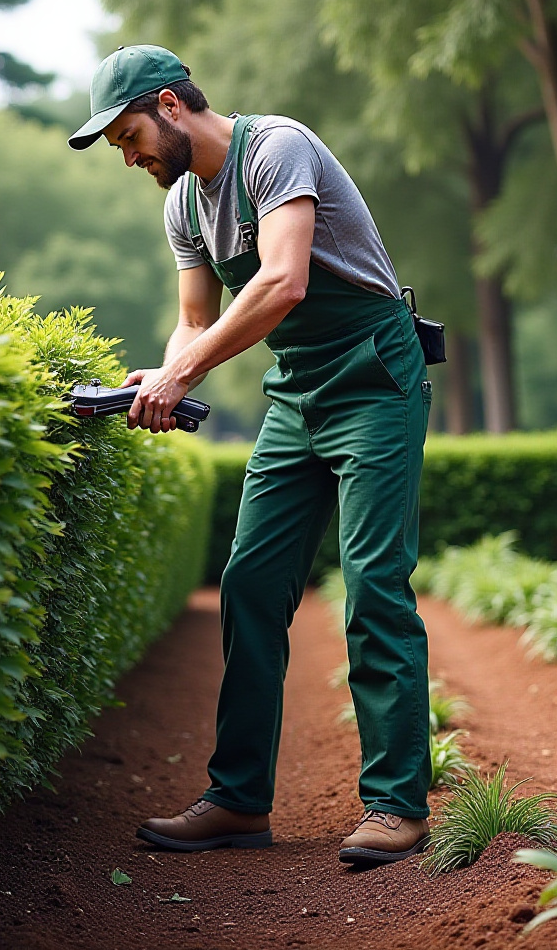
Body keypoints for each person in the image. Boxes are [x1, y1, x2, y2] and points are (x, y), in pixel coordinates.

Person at [68, 45, 434, 866]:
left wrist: (184, 373)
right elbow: (193, 321)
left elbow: (282, 282)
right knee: (249, 582)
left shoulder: (276, 149)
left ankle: (397, 805)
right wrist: (164, 372)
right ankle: (237, 800)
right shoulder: (183, 207)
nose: (129, 158)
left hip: (374, 371)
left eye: (128, 138)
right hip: (297, 388)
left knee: (374, 582)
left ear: (168, 105)